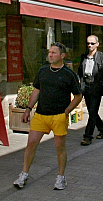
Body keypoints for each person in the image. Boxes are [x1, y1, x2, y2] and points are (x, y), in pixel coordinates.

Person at [13, 43, 83, 191]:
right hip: (41, 114)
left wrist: (67, 112)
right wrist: (28, 109)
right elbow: (36, 90)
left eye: (54, 53)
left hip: (58, 116)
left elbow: (78, 96)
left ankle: (60, 177)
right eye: (49, 52)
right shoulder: (43, 71)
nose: (50, 55)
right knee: (31, 143)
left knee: (60, 147)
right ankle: (24, 174)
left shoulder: (69, 74)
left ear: (62, 56)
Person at [78, 35, 103, 146]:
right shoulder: (84, 57)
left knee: (92, 112)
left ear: (97, 44)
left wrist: (102, 82)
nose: (90, 45)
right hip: (86, 87)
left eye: (92, 43)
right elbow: (80, 71)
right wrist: (79, 82)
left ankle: (88, 136)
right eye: (88, 43)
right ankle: (102, 129)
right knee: (92, 111)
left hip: (96, 87)